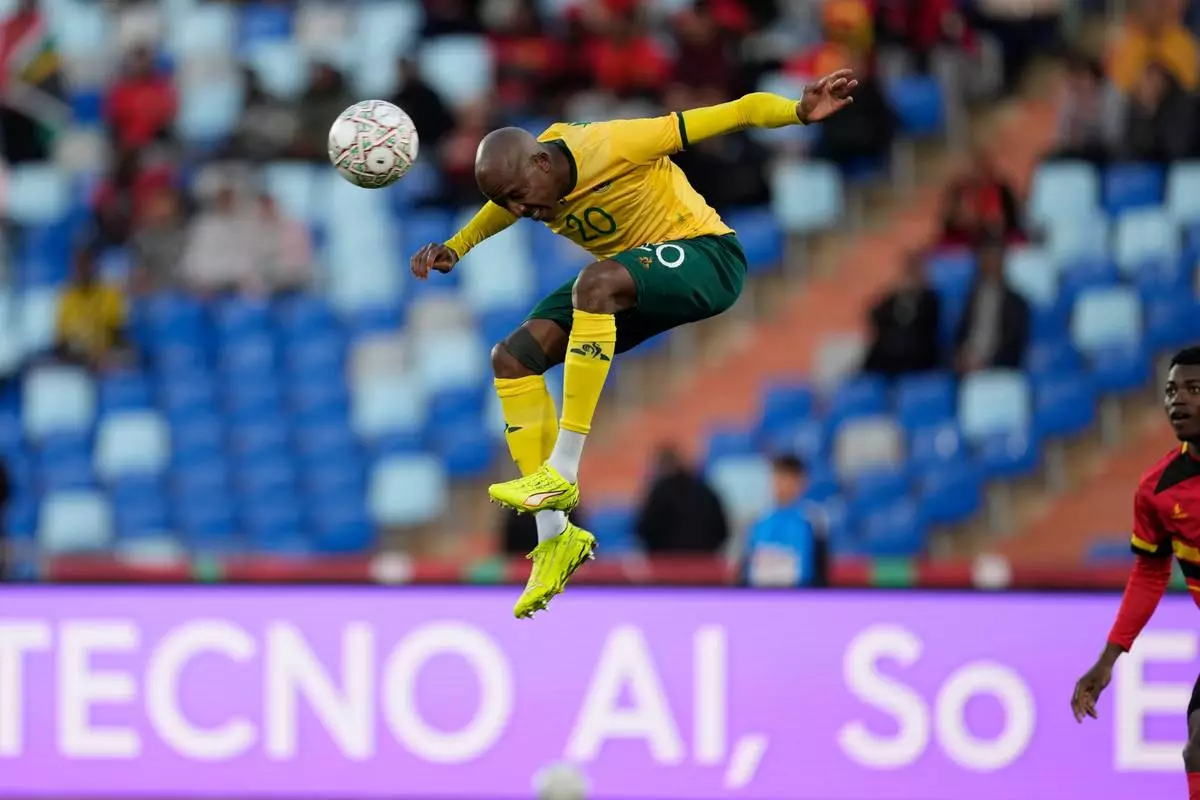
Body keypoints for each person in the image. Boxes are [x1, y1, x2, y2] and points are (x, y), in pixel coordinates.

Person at [410, 70, 858, 617]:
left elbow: (736, 111)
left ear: (543, 164)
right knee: (512, 358)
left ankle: (563, 472)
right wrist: (458, 246)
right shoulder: (529, 182)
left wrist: (796, 111)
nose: (524, 212)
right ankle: (556, 539)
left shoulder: (616, 143)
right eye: (511, 203)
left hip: (706, 259)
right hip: (633, 282)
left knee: (592, 285)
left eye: (522, 198)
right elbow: (501, 206)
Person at [1072, 346, 1200, 800]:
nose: (1178, 401)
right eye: (1170, 391)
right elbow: (1149, 573)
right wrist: (1107, 660)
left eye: (1193, 389)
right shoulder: (1158, 490)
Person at [953, 236, 1030, 373]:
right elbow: (961, 333)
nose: (989, 263)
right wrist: (960, 356)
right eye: (986, 259)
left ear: (1002, 262)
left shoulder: (1017, 303)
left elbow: (1013, 345)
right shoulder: (972, 297)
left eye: (994, 258)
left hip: (998, 369)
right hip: (967, 366)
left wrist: (985, 361)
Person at [635, 445, 729, 554]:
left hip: (666, 565)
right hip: (704, 563)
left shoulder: (659, 492)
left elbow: (643, 530)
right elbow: (723, 532)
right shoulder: (706, 491)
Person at [862, 252, 941, 378]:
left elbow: (929, 325)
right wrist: (893, 293)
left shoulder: (929, 298)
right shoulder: (893, 298)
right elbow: (874, 315)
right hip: (889, 351)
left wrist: (916, 295)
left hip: (916, 352)